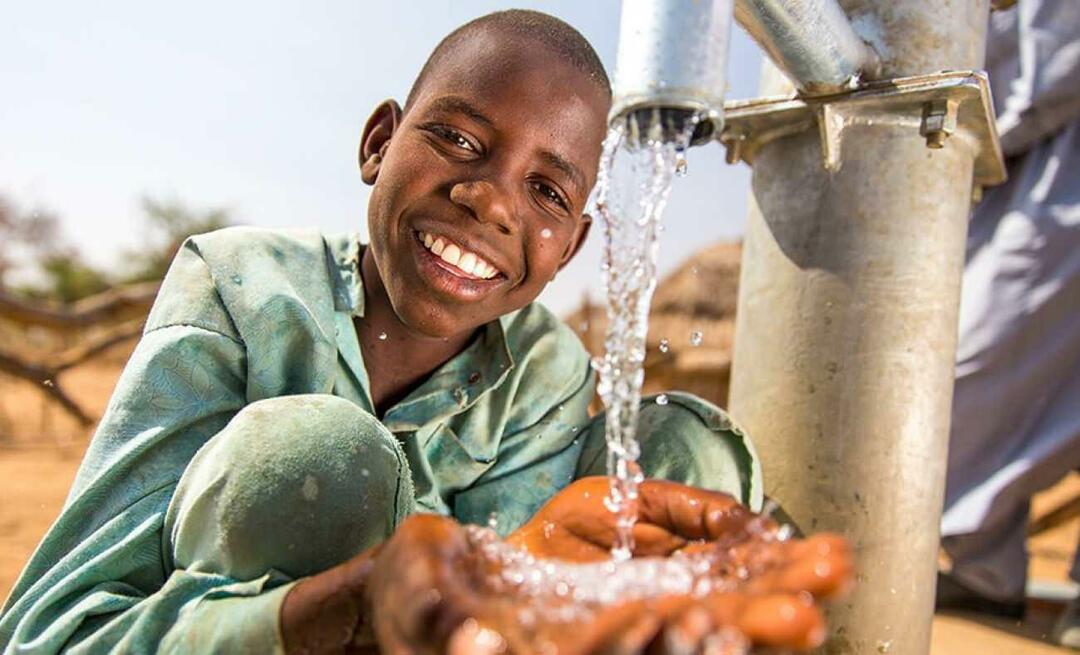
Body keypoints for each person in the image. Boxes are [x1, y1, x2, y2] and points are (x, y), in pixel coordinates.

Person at [0, 10, 850, 654]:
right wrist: (352, 602)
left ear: (574, 248)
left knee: (682, 448)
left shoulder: (547, 372)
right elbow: (50, 631)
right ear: (379, 142)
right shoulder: (244, 292)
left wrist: (516, 569)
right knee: (320, 458)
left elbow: (506, 585)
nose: (489, 199)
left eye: (549, 192)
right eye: (457, 138)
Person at [936, 1, 1080, 648]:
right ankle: (981, 569)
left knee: (974, 358)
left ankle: (971, 557)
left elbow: (1045, 72)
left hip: (1051, 172)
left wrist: (947, 130)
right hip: (1019, 173)